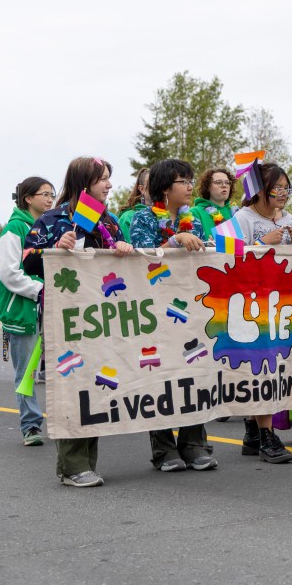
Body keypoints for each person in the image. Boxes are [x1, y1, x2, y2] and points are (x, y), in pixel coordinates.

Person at [24, 156, 133, 487]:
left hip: (104, 317)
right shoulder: (52, 220)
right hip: (67, 317)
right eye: (103, 179)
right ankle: (72, 466)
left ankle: (88, 461)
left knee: (98, 383)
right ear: (85, 184)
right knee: (73, 382)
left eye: (110, 179)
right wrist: (55, 248)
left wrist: (124, 249)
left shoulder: (110, 222)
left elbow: (129, 264)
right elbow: (27, 261)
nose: (110, 185)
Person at [129, 159, 217, 473]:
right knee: (160, 375)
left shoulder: (194, 219)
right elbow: (140, 260)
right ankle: (163, 449)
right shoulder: (142, 218)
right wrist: (174, 241)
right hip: (156, 311)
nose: (190, 186)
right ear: (165, 188)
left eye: (191, 180)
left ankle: (194, 444)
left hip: (191, 308)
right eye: (183, 180)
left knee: (194, 371)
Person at [232, 162, 292, 463]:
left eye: (287, 188)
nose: (284, 194)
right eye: (278, 188)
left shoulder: (289, 219)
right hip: (250, 304)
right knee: (262, 367)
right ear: (261, 190)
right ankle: (266, 436)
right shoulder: (242, 217)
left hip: (282, 305)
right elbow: (227, 255)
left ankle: (253, 429)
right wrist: (261, 243)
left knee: (277, 367)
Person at [0, 177, 55, 447]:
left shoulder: (50, 228)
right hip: (24, 311)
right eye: (44, 194)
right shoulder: (14, 229)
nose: (50, 199)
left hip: (51, 307)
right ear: (28, 198)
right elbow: (9, 273)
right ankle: (31, 425)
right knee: (28, 372)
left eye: (52, 194)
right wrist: (40, 289)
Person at [192, 167, 239, 234]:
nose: (224, 185)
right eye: (218, 182)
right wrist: (209, 244)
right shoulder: (195, 212)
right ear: (208, 187)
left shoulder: (236, 212)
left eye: (227, 182)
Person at [117, 167, 150, 240]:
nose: (158, 188)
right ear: (142, 189)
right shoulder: (127, 217)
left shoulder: (169, 215)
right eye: (152, 184)